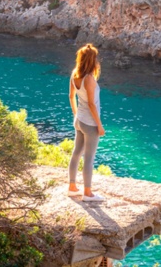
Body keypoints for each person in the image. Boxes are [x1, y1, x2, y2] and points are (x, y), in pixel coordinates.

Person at [68, 43, 106, 202]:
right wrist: (99, 125)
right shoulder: (89, 79)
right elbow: (91, 104)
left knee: (76, 153)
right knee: (89, 158)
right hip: (89, 123)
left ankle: (72, 187)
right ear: (92, 60)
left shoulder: (74, 74)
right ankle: (88, 193)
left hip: (79, 120)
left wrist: (76, 114)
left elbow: (71, 97)